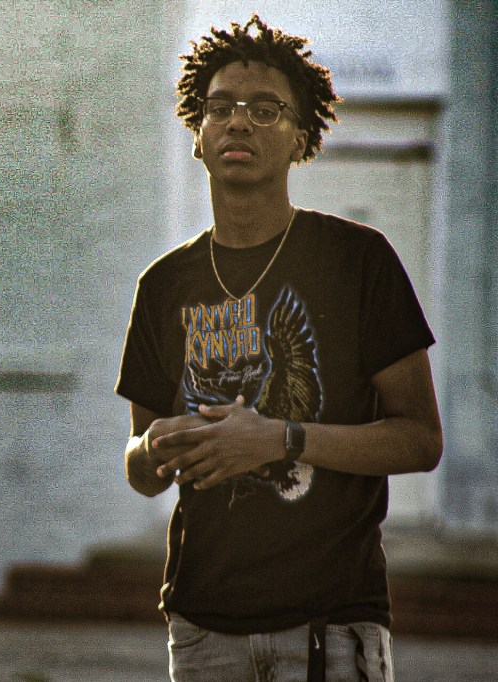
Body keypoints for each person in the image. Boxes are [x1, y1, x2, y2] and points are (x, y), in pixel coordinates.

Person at [116, 15, 442, 682]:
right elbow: (142, 468)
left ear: (300, 137)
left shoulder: (358, 260)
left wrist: (280, 439)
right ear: (198, 134)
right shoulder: (163, 286)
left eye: (265, 109)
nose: (239, 121)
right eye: (220, 108)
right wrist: (153, 449)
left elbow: (420, 440)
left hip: (330, 625)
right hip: (203, 628)